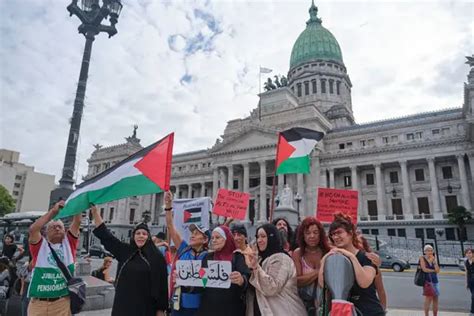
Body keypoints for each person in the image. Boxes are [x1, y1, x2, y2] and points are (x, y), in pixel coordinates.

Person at [91, 205, 168, 316]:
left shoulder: (156, 257)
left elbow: (162, 285)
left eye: (144, 234)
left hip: (145, 307)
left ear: (149, 237)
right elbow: (107, 237)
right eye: (138, 233)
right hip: (123, 306)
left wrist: (161, 309)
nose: (141, 236)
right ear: (133, 236)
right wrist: (95, 213)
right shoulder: (125, 251)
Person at [319, 213, 385, 316]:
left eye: (339, 232)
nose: (335, 237)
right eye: (332, 234)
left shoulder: (366, 257)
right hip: (345, 312)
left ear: (350, 233)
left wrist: (351, 257)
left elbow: (364, 282)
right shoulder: (334, 259)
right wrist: (324, 260)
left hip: (369, 312)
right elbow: (323, 284)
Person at [27, 200, 81, 316]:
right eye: (53, 227)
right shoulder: (40, 246)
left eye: (60, 227)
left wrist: (77, 205)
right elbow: (33, 230)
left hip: (62, 303)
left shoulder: (69, 245)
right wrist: (53, 212)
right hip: (38, 304)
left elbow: (77, 222)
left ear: (65, 231)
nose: (57, 229)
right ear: (46, 233)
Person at [243, 223, 306, 316]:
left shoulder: (281, 259)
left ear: (272, 237)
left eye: (263, 236)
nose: (259, 240)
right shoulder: (261, 259)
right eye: (257, 237)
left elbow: (272, 288)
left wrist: (256, 267)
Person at [165, 191, 209, 316]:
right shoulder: (184, 248)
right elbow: (170, 227)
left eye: (196, 233)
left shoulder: (209, 256)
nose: (192, 235)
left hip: (199, 305)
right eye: (192, 233)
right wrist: (168, 206)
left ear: (205, 239)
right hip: (178, 303)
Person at [197, 226, 250, 316]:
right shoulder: (207, 257)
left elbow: (247, 277)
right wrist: (187, 279)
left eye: (217, 237)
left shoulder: (237, 257)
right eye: (212, 238)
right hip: (209, 308)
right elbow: (201, 282)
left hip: (231, 309)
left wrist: (241, 280)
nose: (214, 240)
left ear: (227, 239)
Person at [292, 217, 331, 315]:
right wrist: (319, 271)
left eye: (315, 232)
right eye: (308, 233)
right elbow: (297, 281)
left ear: (320, 234)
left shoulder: (328, 251)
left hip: (327, 304)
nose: (312, 236)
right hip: (305, 305)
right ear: (303, 236)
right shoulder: (298, 253)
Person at [358, 234, 387, 311]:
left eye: (358, 242)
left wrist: (383, 309)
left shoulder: (372, 265)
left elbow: (380, 290)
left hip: (370, 308)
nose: (356, 245)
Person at [419, 244, 440, 316]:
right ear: (424, 251)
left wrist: (434, 262)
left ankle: (435, 315)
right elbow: (424, 269)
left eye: (431, 250)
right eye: (428, 250)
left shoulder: (434, 258)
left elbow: (437, 270)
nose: (430, 252)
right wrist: (433, 270)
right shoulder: (422, 258)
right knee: (428, 299)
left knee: (435, 299)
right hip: (427, 282)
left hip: (435, 280)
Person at [465, 248, 474, 315]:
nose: (469, 254)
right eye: (467, 253)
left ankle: (472, 311)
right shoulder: (466, 262)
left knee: (473, 296)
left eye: (470, 253)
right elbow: (467, 273)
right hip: (470, 281)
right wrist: (466, 283)